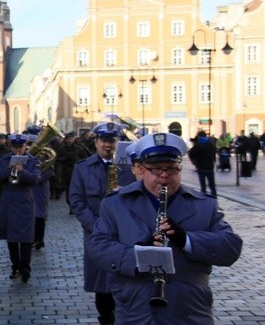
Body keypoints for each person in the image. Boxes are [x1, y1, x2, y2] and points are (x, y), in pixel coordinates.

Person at [87, 132, 243, 324]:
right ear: (142, 169)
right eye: (156, 169)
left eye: (171, 169)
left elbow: (231, 247)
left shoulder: (203, 204)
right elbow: (98, 246)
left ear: (180, 168)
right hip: (136, 311)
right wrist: (139, 254)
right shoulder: (116, 204)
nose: (164, 175)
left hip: (189, 312)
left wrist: (186, 240)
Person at [69, 122, 136, 325]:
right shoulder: (83, 168)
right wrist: (96, 225)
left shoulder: (128, 167)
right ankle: (105, 319)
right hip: (96, 233)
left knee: (126, 279)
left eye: (112, 140)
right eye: (104, 141)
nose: (108, 145)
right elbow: (77, 201)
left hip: (125, 233)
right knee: (102, 284)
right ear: (96, 142)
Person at [0, 133, 41, 282]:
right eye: (15, 147)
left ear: (26, 146)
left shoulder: (33, 161)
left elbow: (35, 179)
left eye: (21, 146)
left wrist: (21, 171)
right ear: (11, 146)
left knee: (26, 239)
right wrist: (10, 169)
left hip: (25, 201)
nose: (18, 150)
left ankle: (25, 268)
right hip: (9, 201)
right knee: (11, 238)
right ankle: (15, 266)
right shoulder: (5, 159)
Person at [188, 130, 217, 198]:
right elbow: (214, 152)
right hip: (210, 166)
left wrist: (194, 161)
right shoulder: (210, 144)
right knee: (212, 184)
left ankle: (203, 198)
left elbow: (190, 153)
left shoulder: (197, 145)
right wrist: (213, 159)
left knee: (203, 185)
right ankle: (214, 197)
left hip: (200, 166)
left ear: (199, 136)